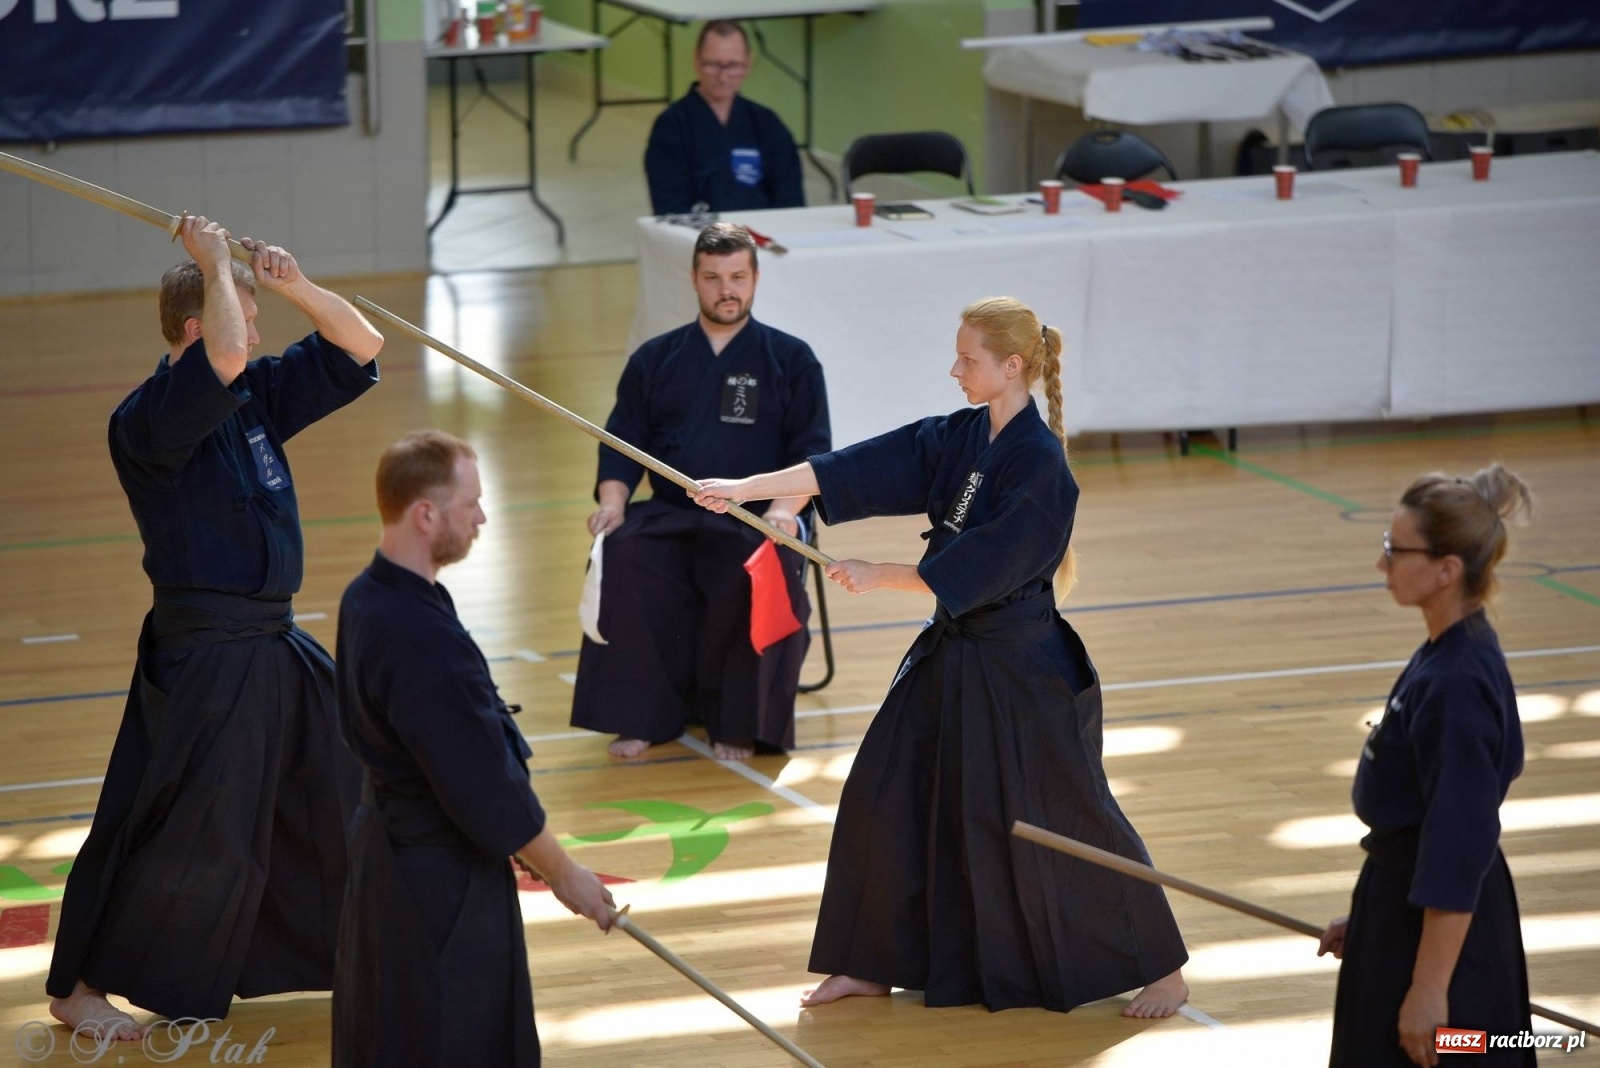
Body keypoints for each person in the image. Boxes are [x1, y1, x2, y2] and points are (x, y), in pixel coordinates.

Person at [691, 297, 1190, 1017]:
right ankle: (866, 963)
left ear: (1011, 366)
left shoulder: (1043, 469)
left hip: (1023, 671)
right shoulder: (963, 435)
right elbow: (855, 467)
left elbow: (980, 567)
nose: (953, 369)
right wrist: (744, 489)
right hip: (954, 655)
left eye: (968, 359)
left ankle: (1163, 966)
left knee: (1070, 815)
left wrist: (878, 571)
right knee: (880, 792)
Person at [46, 215, 383, 1039]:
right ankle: (79, 985)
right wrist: (212, 260)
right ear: (195, 328)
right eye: (243, 311)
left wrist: (296, 285)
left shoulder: (253, 400)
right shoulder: (149, 420)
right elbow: (228, 352)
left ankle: (352, 955)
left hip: (272, 643)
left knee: (341, 784)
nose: (258, 332)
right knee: (179, 821)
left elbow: (363, 344)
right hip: (205, 652)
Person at [332, 430, 615, 1068]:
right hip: (439, 883)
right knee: (454, 1037)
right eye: (471, 503)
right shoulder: (421, 637)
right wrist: (566, 874)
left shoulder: (368, 596)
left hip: (387, 857)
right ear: (425, 513)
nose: (483, 517)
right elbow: (485, 787)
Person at [570, 222, 830, 761]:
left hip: (752, 515)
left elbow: (813, 453)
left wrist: (784, 512)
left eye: (737, 276)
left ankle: (738, 723)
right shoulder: (655, 359)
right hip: (670, 510)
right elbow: (620, 441)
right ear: (694, 280)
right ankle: (641, 716)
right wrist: (612, 504)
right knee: (622, 553)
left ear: (756, 279)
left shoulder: (792, 360)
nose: (726, 289)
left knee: (759, 565)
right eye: (713, 277)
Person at [1318, 467, 1536, 1068]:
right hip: (1408, 913)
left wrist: (1431, 988)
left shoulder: (1457, 683)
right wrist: (1374, 915)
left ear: (1447, 569)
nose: (1383, 563)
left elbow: (1458, 842)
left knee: (1448, 1049)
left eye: (1396, 550)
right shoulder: (1447, 652)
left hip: (1446, 941)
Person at [644, 20, 805, 215]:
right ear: (697, 60)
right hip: (699, 239)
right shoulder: (671, 126)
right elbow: (669, 207)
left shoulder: (766, 123)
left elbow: (791, 200)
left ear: (748, 64)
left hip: (761, 238)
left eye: (733, 65)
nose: (723, 76)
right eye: (713, 65)